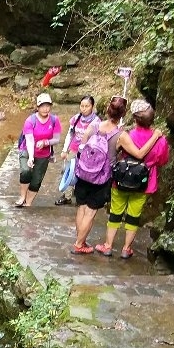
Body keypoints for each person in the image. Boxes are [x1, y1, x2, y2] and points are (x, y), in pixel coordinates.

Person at [95, 99, 169, 259]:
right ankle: (126, 249)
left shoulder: (126, 135)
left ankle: (108, 246)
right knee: (134, 215)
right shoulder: (160, 140)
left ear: (135, 119)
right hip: (145, 182)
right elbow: (163, 161)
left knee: (115, 212)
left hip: (121, 180)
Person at [71, 95, 126, 254]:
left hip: (83, 173)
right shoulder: (120, 135)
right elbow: (137, 152)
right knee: (90, 211)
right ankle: (79, 244)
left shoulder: (93, 126)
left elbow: (81, 149)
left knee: (81, 207)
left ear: (107, 110)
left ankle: (80, 240)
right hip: (101, 178)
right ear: (122, 114)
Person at [15, 92, 62, 207]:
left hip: (44, 154)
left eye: (48, 106)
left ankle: (28, 203)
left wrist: (46, 142)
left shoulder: (54, 120)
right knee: (26, 171)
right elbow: (30, 140)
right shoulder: (30, 121)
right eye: (42, 106)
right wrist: (31, 157)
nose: (46, 109)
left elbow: (56, 139)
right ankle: (22, 196)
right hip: (27, 150)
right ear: (37, 107)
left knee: (36, 180)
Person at [55, 95, 97, 206]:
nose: (84, 108)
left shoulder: (96, 122)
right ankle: (67, 196)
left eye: (87, 106)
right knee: (68, 171)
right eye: (82, 106)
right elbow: (70, 134)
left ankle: (82, 197)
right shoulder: (76, 118)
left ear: (92, 106)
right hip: (73, 149)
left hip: (88, 153)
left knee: (84, 174)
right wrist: (64, 150)